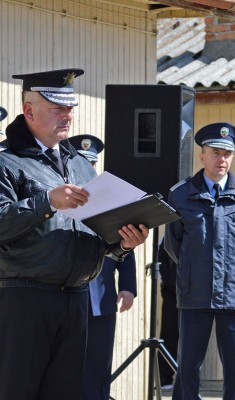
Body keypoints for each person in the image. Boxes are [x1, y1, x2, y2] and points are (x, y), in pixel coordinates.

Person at [0, 68, 148, 400]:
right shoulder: (6, 162)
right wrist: (46, 201)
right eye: (58, 107)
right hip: (25, 298)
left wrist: (122, 243)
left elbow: (93, 231)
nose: (67, 115)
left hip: (76, 298)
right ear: (29, 111)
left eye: (70, 108)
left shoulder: (81, 164)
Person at [165, 122, 235, 400]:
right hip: (195, 293)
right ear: (201, 155)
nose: (222, 159)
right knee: (189, 365)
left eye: (227, 153)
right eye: (215, 152)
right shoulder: (180, 195)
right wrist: (193, 271)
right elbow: (172, 245)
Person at [68, 134, 138, 400]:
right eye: (82, 164)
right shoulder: (63, 201)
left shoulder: (110, 203)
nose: (88, 172)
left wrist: (128, 287)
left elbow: (126, 247)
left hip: (101, 298)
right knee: (67, 367)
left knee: (98, 367)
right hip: (67, 297)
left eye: (92, 165)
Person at [158, 237, 179, 390]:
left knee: (193, 338)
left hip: (195, 294)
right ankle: (165, 379)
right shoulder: (166, 239)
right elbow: (162, 265)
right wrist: (170, 283)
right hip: (172, 294)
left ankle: (189, 381)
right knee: (169, 334)